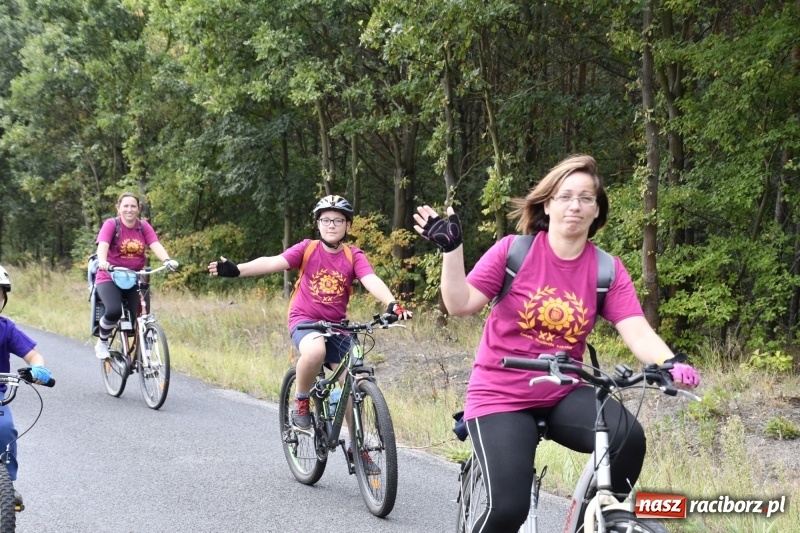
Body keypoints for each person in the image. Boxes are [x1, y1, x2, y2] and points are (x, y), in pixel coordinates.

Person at [413, 154, 699, 532]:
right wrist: (452, 251)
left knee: (628, 437)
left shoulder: (606, 269)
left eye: (586, 198)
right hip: (500, 394)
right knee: (508, 509)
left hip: (564, 391)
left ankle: (598, 522)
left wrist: (669, 361)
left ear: (597, 210)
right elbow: (459, 303)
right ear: (548, 203)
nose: (575, 206)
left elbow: (637, 330)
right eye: (565, 196)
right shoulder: (514, 251)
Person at [208, 195, 411, 465]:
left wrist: (391, 303)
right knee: (315, 351)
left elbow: (370, 279)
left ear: (348, 226)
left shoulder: (353, 255)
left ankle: (357, 445)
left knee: (354, 378)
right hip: (304, 321)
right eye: (326, 220)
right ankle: (301, 400)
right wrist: (237, 270)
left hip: (338, 326)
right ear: (318, 223)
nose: (331, 225)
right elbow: (272, 262)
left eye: (338, 220)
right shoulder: (307, 249)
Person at [93, 192, 178, 359]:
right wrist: (103, 261)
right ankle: (102, 341)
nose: (129, 209)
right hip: (109, 275)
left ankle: (143, 356)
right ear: (118, 208)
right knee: (114, 310)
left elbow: (155, 244)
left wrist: (167, 260)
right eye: (125, 206)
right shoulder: (111, 224)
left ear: (138, 209)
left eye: (133, 206)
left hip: (135, 277)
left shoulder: (143, 226)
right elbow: (102, 245)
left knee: (142, 316)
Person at [0, 265, 53, 508]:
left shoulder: (5, 328)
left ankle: (6, 486)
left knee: (5, 429)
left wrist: (37, 369)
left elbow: (32, 355)